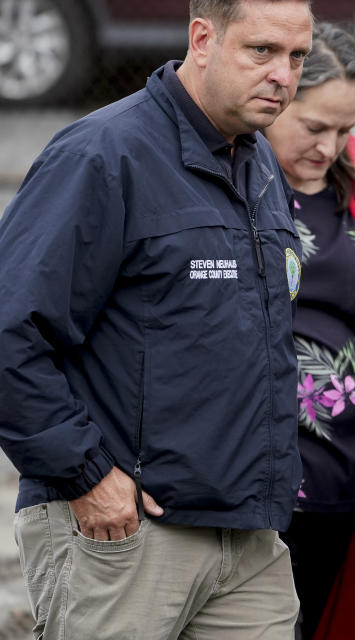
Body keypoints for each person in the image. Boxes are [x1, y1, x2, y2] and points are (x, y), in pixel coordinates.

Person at [0, 1, 314, 638]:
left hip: (249, 545)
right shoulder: (102, 155)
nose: (284, 75)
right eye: (262, 51)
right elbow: (9, 334)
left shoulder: (257, 165)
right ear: (203, 38)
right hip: (126, 536)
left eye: (297, 56)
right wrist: (86, 475)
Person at [261, 21, 355, 640]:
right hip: (259, 478)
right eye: (314, 128)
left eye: (346, 131)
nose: (330, 147)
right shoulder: (230, 185)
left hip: (348, 472)